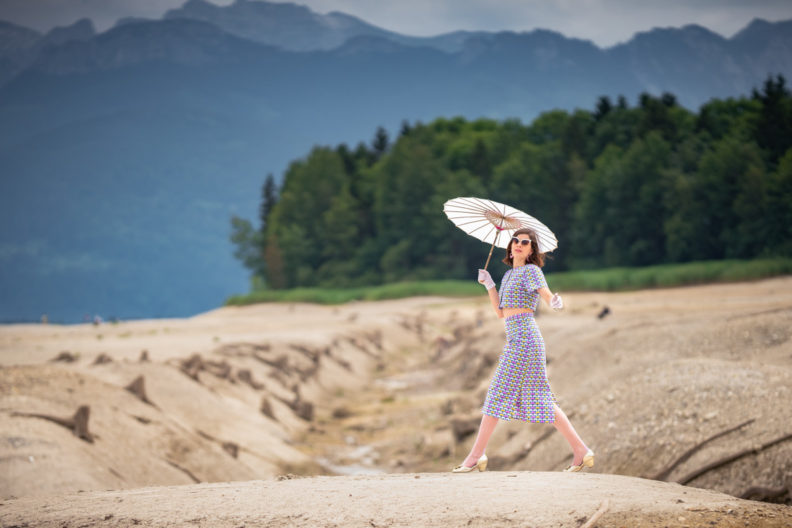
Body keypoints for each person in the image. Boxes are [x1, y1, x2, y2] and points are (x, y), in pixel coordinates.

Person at [451, 228, 594, 473]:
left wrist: (555, 302)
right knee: (541, 399)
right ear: (510, 246)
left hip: (526, 339)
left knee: (496, 393)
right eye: (515, 240)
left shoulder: (531, 271)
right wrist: (489, 285)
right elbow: (499, 313)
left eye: (524, 242)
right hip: (515, 339)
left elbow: (546, 295)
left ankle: (476, 456)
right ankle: (581, 451)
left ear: (531, 250)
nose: (518, 244)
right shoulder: (507, 276)